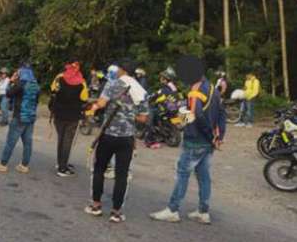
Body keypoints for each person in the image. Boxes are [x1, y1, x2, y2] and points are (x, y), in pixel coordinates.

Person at [151, 58, 227, 225]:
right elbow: (222, 113)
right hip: (208, 143)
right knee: (204, 176)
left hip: (195, 140)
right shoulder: (213, 88)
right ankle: (203, 211)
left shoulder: (195, 91)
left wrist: (181, 114)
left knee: (182, 174)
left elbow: (196, 117)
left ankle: (172, 209)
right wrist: (218, 137)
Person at [84, 59, 148, 223]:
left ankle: (96, 206)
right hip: (127, 138)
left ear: (122, 70)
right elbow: (143, 118)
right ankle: (116, 212)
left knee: (99, 169)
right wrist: (128, 115)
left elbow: (102, 103)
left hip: (108, 135)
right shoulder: (141, 90)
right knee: (122, 175)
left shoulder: (112, 84)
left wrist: (94, 107)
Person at [0, 63, 40, 174]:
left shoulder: (20, 84)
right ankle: (24, 165)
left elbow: (8, 94)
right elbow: (36, 102)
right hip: (31, 118)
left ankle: (2, 164)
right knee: (28, 142)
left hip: (19, 117)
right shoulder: (36, 85)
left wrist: (11, 81)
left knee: (10, 141)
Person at [50, 61, 89, 177]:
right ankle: (62, 168)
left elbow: (53, 90)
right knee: (67, 141)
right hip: (73, 116)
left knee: (61, 139)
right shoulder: (82, 82)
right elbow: (84, 98)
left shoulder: (59, 77)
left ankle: (60, 163)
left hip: (59, 113)